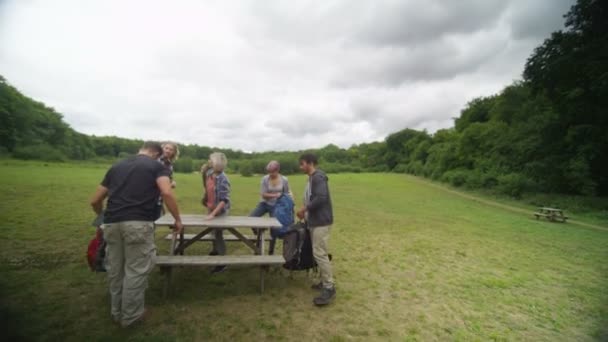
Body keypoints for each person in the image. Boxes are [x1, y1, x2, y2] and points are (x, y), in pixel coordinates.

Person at [90, 141, 183, 327]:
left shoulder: (117, 166)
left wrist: (102, 216)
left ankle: (116, 311)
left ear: (141, 148)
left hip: (110, 223)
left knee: (116, 269)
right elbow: (166, 192)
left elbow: (95, 200)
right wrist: (177, 219)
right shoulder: (157, 166)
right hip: (138, 223)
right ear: (157, 154)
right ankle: (131, 316)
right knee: (136, 269)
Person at [296, 153, 336, 306]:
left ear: (310, 163)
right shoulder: (312, 178)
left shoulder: (318, 177)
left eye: (302, 164)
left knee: (320, 254)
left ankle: (329, 287)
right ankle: (324, 281)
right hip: (314, 221)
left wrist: (304, 209)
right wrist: (306, 215)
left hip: (321, 222)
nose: (301, 167)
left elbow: (321, 198)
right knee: (318, 252)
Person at [202, 152, 231, 274]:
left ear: (217, 163)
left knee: (218, 234)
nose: (209, 162)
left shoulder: (223, 179)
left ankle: (222, 262)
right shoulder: (209, 173)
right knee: (212, 231)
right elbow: (207, 186)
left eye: (211, 160)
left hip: (220, 210)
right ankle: (215, 251)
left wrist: (213, 214)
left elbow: (224, 200)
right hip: (211, 207)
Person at [155, 141, 179, 219]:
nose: (168, 151)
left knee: (155, 220)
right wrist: (170, 184)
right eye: (166, 148)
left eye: (171, 149)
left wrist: (171, 182)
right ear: (162, 149)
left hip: (160, 197)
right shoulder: (156, 160)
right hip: (151, 197)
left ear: (174, 152)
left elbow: (169, 178)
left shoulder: (170, 164)